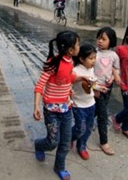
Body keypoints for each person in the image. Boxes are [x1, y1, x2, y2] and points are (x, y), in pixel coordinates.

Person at [33, 31, 87, 180]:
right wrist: (36, 106)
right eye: (77, 44)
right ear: (70, 50)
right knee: (52, 142)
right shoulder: (53, 64)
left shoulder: (70, 61)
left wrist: (76, 82)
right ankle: (39, 145)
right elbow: (40, 86)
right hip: (51, 111)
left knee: (64, 141)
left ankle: (59, 167)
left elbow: (67, 78)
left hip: (66, 109)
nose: (79, 47)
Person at [93, 27, 120, 155]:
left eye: (104, 39)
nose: (100, 41)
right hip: (95, 89)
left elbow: (116, 68)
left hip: (107, 89)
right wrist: (94, 86)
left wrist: (113, 77)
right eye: (99, 38)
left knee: (94, 112)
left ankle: (76, 131)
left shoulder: (114, 55)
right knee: (102, 115)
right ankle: (104, 142)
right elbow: (87, 69)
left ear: (111, 41)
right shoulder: (94, 54)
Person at [70, 44, 97, 161]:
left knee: (89, 127)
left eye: (94, 58)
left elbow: (92, 85)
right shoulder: (75, 71)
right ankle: (70, 137)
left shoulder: (91, 69)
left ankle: (82, 146)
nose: (93, 61)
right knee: (80, 127)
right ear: (81, 59)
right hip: (78, 105)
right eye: (91, 58)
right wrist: (69, 93)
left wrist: (99, 88)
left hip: (91, 103)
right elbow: (68, 84)